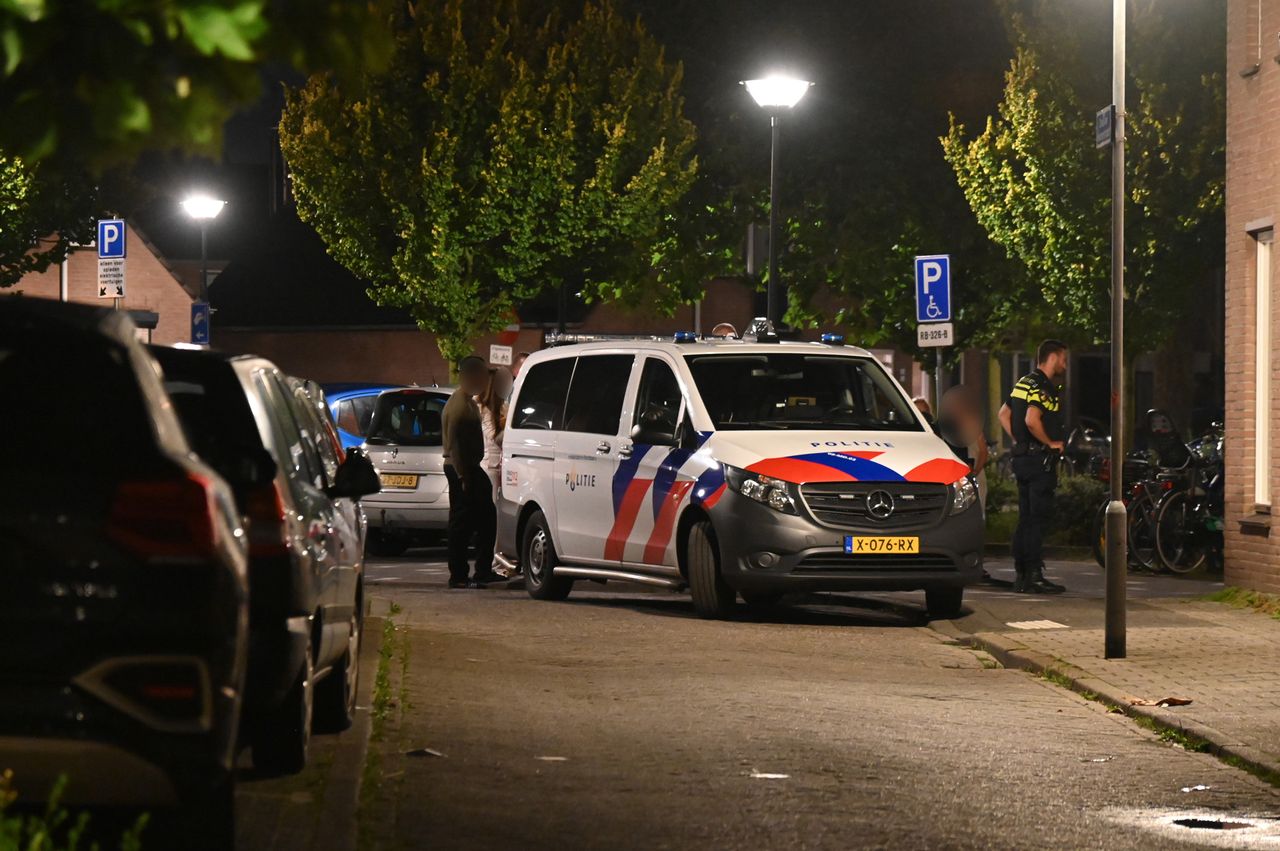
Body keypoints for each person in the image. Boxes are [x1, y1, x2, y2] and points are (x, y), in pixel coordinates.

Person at [999, 340, 1070, 594]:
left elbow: (1003, 414)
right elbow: (1032, 419)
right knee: (1037, 519)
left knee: (1025, 517)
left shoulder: (1024, 382)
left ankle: (1022, 573)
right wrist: (1049, 443)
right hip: (1039, 462)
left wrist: (1019, 441)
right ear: (1052, 358)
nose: (1064, 364)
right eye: (1063, 359)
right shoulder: (1043, 387)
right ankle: (1034, 575)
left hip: (1022, 460)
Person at [442, 356, 504, 588]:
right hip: (463, 468)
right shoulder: (459, 405)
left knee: (483, 519)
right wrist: (463, 476)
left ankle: (479, 570)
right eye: (479, 375)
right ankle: (460, 574)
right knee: (462, 523)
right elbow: (455, 442)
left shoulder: (466, 401)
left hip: (467, 467)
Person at [477, 366, 512, 502]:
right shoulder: (484, 410)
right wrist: (510, 428)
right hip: (490, 467)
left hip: (500, 466)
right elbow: (495, 438)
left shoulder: (503, 407)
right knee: (492, 506)